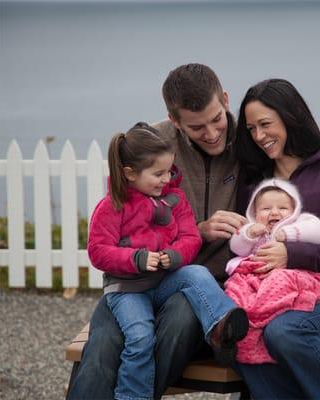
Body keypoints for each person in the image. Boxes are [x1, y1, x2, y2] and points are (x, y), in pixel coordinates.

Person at [67, 64, 320, 399]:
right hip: (149, 280)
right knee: (103, 346)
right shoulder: (164, 147)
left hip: (231, 291)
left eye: (216, 119)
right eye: (196, 126)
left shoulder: (248, 146)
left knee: (207, 328)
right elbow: (125, 194)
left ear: (224, 100)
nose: (210, 133)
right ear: (175, 120)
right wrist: (200, 230)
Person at [86, 122, 248, 399]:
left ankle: (221, 325)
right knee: (140, 338)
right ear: (130, 173)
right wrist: (135, 259)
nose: (166, 179)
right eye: (158, 173)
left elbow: (190, 237)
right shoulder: (113, 205)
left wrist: (175, 256)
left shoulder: (175, 199)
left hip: (162, 281)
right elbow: (98, 250)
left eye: (169, 171)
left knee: (196, 273)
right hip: (128, 290)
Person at [232, 78, 320, 399]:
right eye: (251, 129)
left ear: (291, 116)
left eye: (265, 124)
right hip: (262, 299)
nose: (259, 136)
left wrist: (290, 255)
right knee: (243, 334)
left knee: (283, 330)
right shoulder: (254, 180)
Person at [225, 177, 320, 364]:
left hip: (287, 274)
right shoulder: (254, 230)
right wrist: (248, 233)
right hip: (256, 276)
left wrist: (285, 233)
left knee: (279, 280)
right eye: (266, 209)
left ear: (294, 210)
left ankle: (262, 313)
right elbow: (237, 247)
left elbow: (316, 231)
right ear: (255, 213)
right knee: (235, 288)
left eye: (282, 208)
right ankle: (239, 322)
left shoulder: (300, 222)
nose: (274, 212)